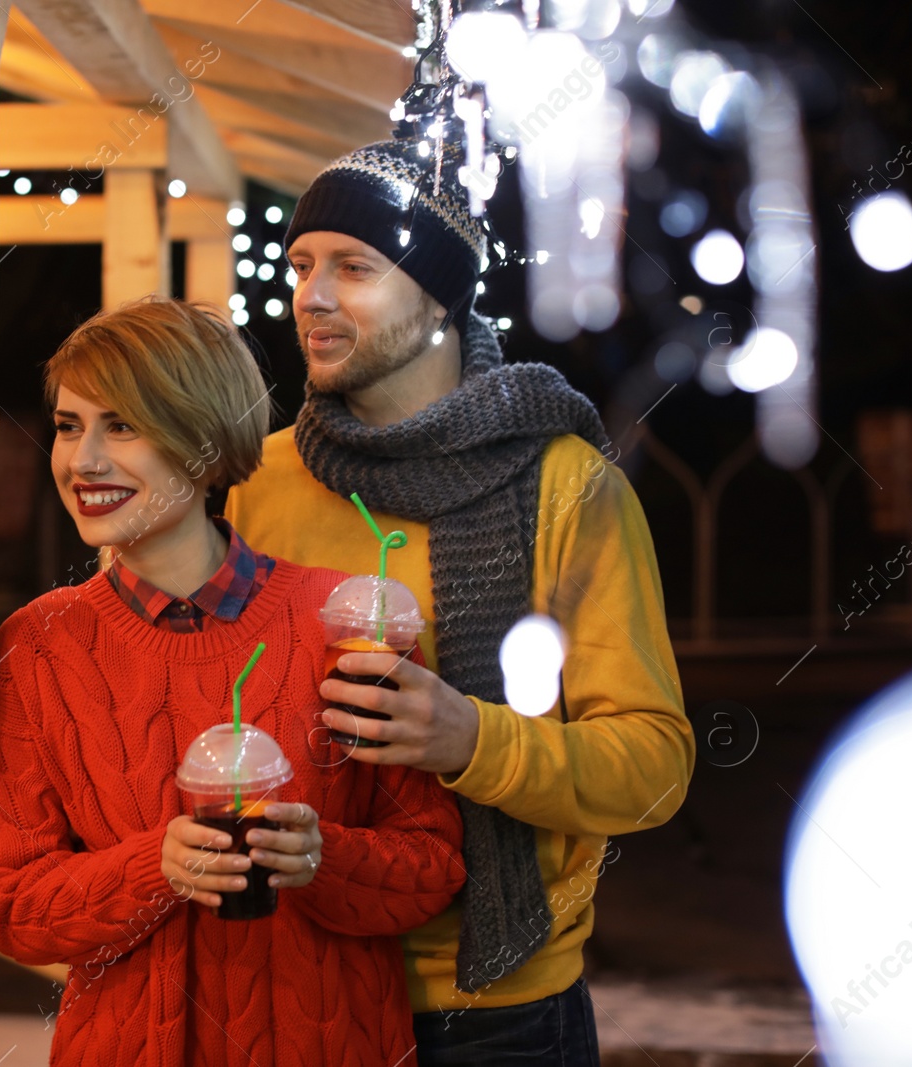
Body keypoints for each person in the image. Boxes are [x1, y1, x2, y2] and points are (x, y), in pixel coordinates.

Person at [224, 137, 696, 1066]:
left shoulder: (565, 485)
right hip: (299, 977)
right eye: (301, 266)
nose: (310, 297)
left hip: (495, 1013)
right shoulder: (262, 481)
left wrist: (472, 741)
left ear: (440, 297)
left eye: (353, 268)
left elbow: (655, 766)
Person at [0, 297, 467, 1066]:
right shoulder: (38, 646)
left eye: (123, 425)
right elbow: (15, 908)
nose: (84, 460)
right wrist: (155, 867)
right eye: (71, 425)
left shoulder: (346, 623)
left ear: (205, 444)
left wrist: (323, 859)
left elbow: (432, 868)